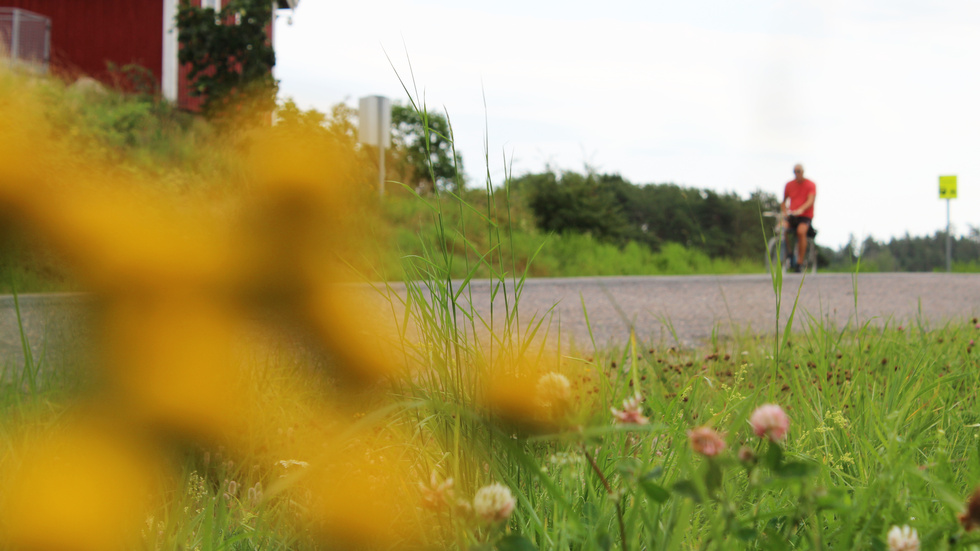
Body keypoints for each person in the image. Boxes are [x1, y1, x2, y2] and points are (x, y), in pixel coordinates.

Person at [781, 164, 816, 272]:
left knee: (801, 232)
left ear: (803, 171)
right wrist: (785, 212)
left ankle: (799, 262)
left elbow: (810, 200)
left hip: (805, 216)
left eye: (799, 171)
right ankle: (789, 254)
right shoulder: (789, 185)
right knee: (781, 228)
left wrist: (801, 209)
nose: (797, 173)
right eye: (795, 171)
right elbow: (783, 202)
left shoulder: (811, 184)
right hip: (792, 215)